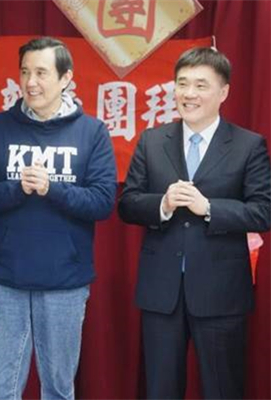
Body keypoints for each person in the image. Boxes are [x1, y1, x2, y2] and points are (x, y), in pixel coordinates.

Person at [0, 37, 117, 400]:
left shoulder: (92, 132)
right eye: (25, 72)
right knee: (0, 389)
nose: (30, 82)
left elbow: (102, 202)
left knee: (59, 389)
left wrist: (52, 188)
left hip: (65, 280)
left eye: (41, 73)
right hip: (6, 277)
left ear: (66, 78)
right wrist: (19, 188)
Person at [118, 47, 271, 399]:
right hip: (162, 292)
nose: (189, 93)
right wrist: (163, 204)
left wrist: (209, 208)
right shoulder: (152, 141)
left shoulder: (248, 145)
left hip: (221, 293)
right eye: (182, 83)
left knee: (222, 389)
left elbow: (263, 211)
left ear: (223, 92)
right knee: (161, 390)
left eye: (201, 85)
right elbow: (127, 204)